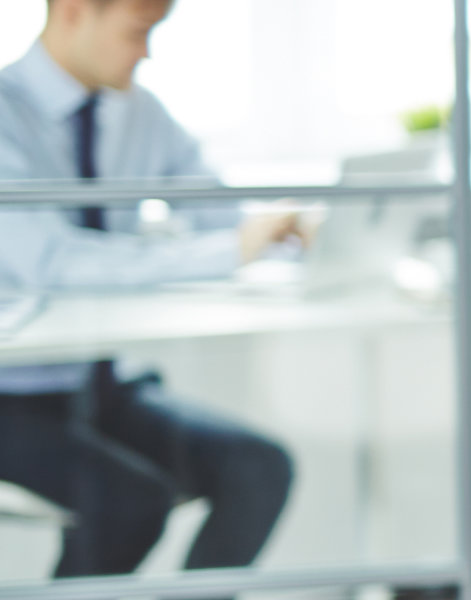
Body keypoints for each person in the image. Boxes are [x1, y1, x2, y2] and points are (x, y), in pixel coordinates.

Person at [0, 0, 299, 578]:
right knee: (130, 503)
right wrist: (228, 250)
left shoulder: (141, 113)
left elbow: (221, 212)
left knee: (258, 469)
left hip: (102, 384)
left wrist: (280, 228)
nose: (147, 52)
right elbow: (51, 262)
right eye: (138, 32)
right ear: (72, 12)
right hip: (11, 399)